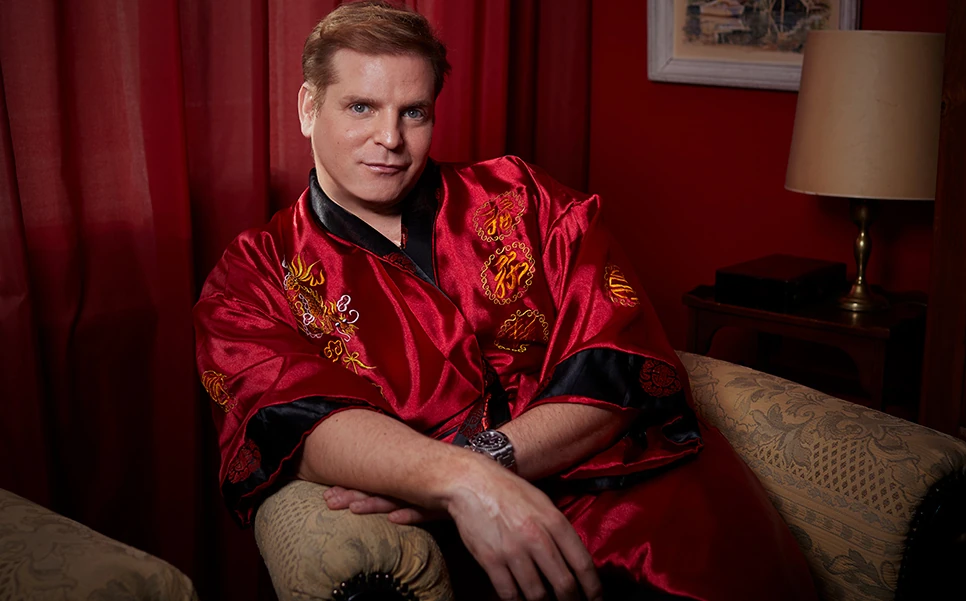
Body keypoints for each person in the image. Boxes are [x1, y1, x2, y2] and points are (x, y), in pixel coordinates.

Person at [194, 2, 817, 600]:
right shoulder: (252, 276)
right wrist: (461, 482)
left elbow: (619, 361)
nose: (390, 138)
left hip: (646, 492)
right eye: (361, 106)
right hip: (472, 539)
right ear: (308, 107)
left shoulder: (526, 196)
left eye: (414, 112)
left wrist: (487, 461)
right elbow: (295, 423)